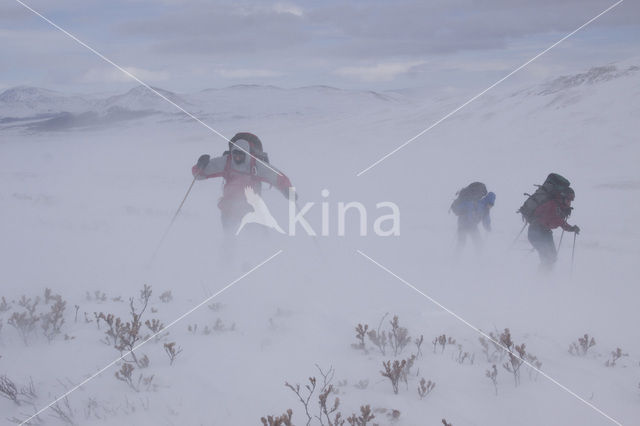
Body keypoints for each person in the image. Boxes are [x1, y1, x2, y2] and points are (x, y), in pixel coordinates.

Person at [192, 133, 293, 234]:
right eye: (235, 153)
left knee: (258, 238)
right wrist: (200, 165)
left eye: (241, 154)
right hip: (229, 207)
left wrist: (287, 189)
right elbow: (199, 175)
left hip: (252, 208)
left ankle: (263, 248)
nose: (237, 157)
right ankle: (229, 248)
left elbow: (276, 176)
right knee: (230, 237)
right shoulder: (226, 162)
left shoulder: (257, 165)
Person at [527, 187, 580, 270]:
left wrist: (564, 210)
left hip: (545, 232)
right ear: (563, 198)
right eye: (568, 200)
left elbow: (557, 220)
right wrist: (572, 228)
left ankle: (547, 276)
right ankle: (541, 278)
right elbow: (558, 221)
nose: (570, 203)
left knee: (552, 257)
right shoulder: (553, 205)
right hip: (536, 231)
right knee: (546, 257)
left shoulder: (559, 206)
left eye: (571, 201)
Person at [451, 182, 495, 252]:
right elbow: (468, 210)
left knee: (479, 243)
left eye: (492, 205)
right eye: (490, 204)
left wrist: (488, 228)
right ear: (487, 201)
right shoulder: (477, 203)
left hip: (472, 226)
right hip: (463, 224)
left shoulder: (486, 210)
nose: (491, 206)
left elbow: (486, 219)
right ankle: (455, 260)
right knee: (462, 243)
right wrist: (470, 220)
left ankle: (479, 261)